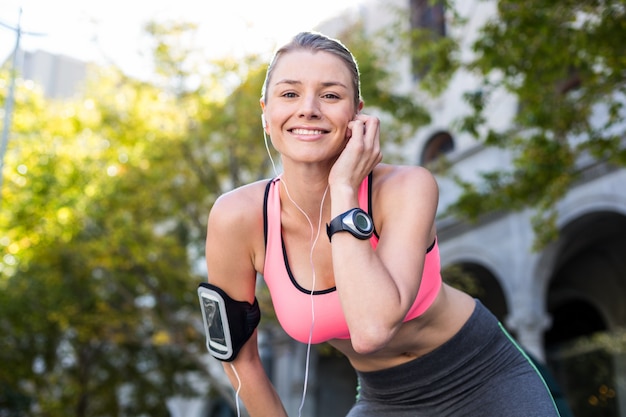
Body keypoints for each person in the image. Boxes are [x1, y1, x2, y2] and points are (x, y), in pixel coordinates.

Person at [204, 31, 561, 417]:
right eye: (289, 94)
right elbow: (236, 354)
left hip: (486, 378)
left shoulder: (407, 187)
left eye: (330, 95)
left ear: (357, 116)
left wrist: (343, 189)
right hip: (384, 399)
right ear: (266, 113)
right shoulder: (237, 217)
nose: (308, 108)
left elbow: (373, 329)